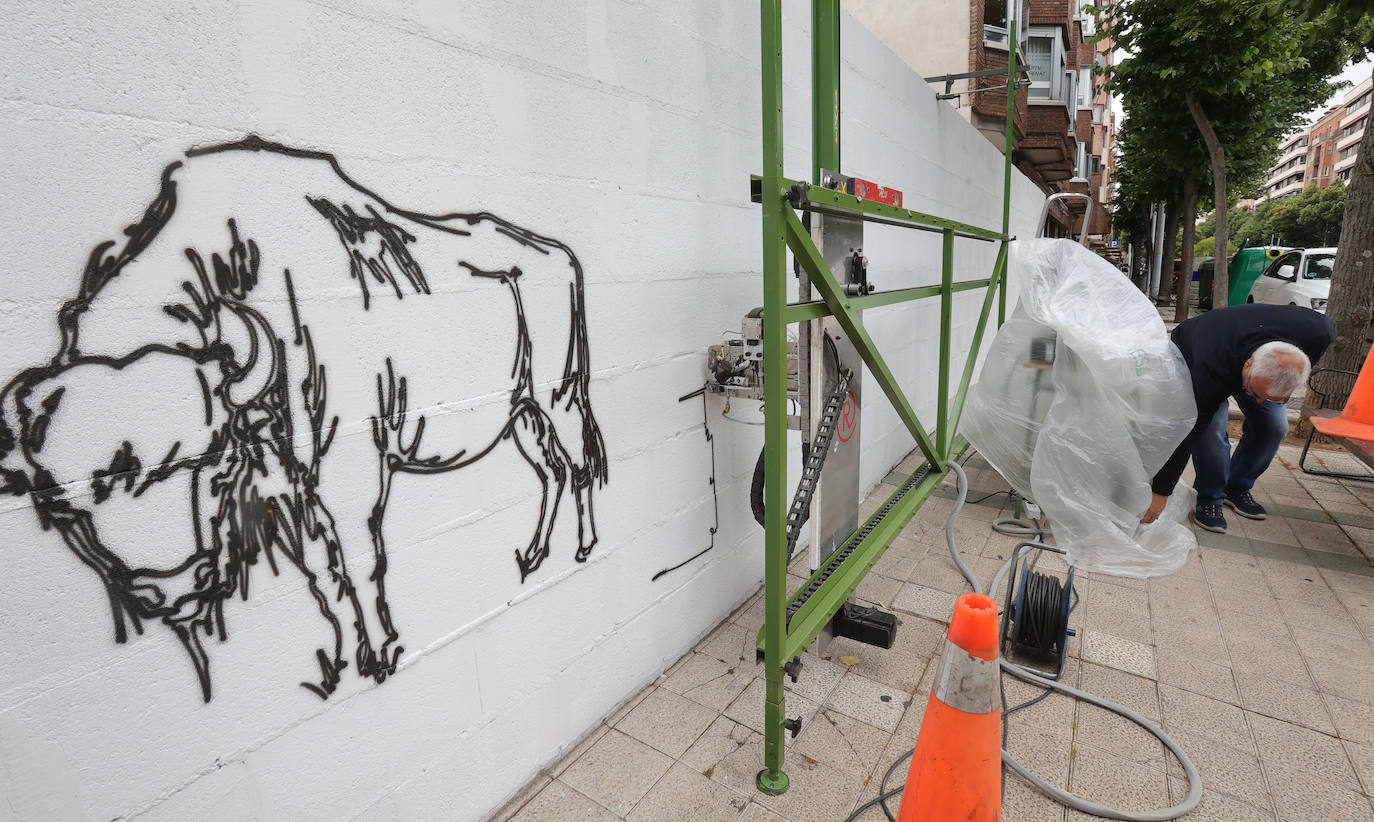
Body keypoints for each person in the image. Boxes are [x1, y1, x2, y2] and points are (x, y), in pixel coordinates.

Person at [1140, 303, 1334, 533]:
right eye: (1255, 393)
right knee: (1212, 430)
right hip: (1194, 351)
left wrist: (1283, 391)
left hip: (1256, 360)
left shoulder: (1319, 332)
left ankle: (1237, 487)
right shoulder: (1211, 369)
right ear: (1248, 366)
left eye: (1266, 397)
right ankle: (1210, 498)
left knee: (1275, 426)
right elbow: (1190, 430)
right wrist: (1161, 491)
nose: (1259, 401)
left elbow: (1301, 364)